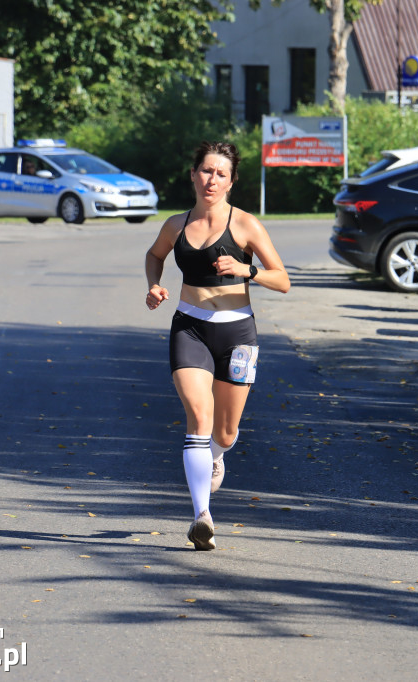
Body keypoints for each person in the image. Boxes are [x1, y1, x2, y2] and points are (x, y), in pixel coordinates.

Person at [144, 141, 290, 551]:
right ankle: (201, 517)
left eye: (220, 174)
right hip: (190, 328)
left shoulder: (245, 225)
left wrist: (248, 270)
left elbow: (283, 279)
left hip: (238, 335)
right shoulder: (176, 224)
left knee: (224, 433)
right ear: (194, 175)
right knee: (198, 418)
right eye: (206, 171)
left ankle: (218, 456)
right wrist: (154, 285)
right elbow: (154, 255)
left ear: (231, 182)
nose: (212, 180)